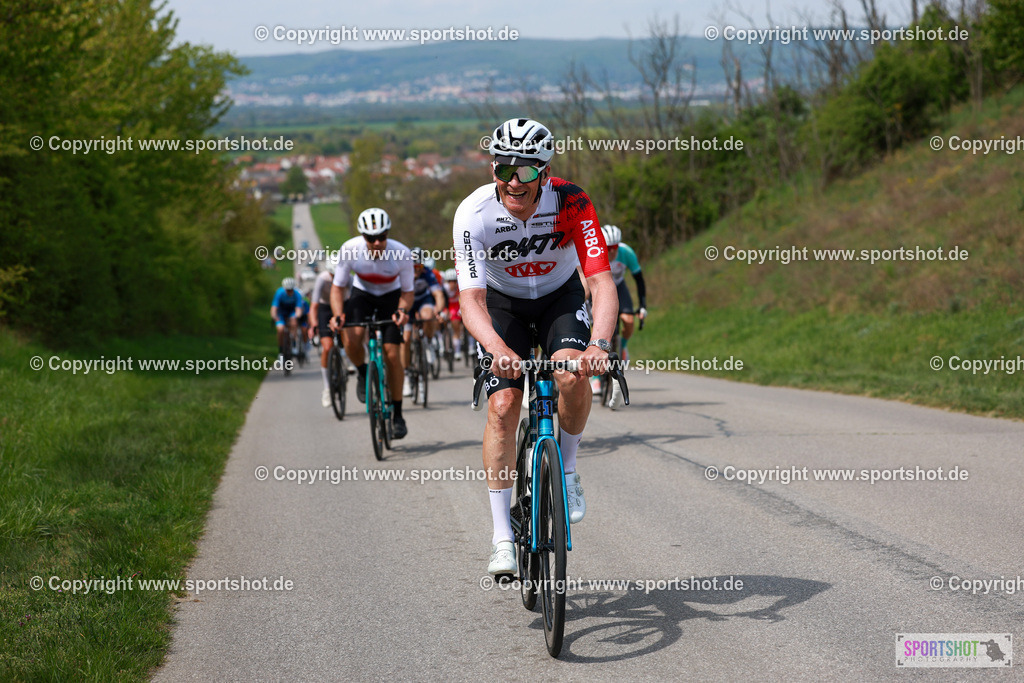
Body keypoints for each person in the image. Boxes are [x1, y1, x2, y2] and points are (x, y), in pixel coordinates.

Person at [454, 117, 616, 577]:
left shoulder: (572, 200)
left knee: (571, 372)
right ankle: (502, 537)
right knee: (504, 404)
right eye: (503, 169)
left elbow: (601, 281)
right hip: (502, 305)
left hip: (559, 298)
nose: (513, 181)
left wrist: (599, 345)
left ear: (545, 174)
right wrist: (495, 346)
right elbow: (471, 298)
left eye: (525, 171)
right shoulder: (474, 213)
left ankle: (566, 470)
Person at [329, 208, 415, 439]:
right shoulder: (350, 250)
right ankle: (362, 371)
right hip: (362, 294)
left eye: (382, 237)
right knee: (352, 338)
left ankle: (397, 414)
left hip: (391, 296)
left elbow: (407, 292)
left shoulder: (402, 254)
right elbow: (337, 287)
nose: (377, 242)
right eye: (370, 238)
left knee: (393, 356)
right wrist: (338, 315)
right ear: (362, 237)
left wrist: (401, 310)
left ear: (388, 234)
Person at [595, 224, 647, 409]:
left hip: (618, 285)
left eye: (614, 248)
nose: (611, 252)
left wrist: (642, 306)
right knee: (593, 327)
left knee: (628, 321)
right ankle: (595, 374)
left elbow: (639, 279)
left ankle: (623, 348)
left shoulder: (627, 253)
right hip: (599, 288)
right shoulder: (594, 251)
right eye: (608, 248)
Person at [402, 248, 446, 397]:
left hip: (422, 300)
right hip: (407, 303)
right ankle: (407, 375)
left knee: (428, 315)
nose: (416, 271)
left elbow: (438, 294)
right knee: (406, 339)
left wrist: (438, 311)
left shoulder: (427, 273)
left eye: (419, 267)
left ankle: (428, 342)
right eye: (413, 267)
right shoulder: (402, 273)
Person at [310, 256, 340, 407]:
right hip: (325, 309)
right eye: (333, 276)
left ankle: (346, 360)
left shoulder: (348, 278)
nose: (336, 279)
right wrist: (313, 325)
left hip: (342, 307)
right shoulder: (322, 279)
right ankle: (327, 389)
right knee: (327, 347)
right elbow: (314, 305)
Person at [271, 277, 305, 361]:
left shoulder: (297, 294)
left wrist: (297, 316)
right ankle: (281, 351)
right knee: (280, 329)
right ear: (284, 288)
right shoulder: (279, 293)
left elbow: (298, 309)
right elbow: (274, 308)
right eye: (287, 290)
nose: (289, 292)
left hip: (291, 312)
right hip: (281, 312)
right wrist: (274, 316)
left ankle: (293, 345)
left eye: (291, 290)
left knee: (294, 322)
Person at [441, 268, 464, 360]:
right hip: (448, 305)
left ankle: (457, 351)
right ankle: (443, 340)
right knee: (443, 319)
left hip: (456, 305)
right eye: (450, 281)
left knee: (456, 323)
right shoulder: (444, 289)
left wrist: (462, 310)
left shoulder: (460, 286)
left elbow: (462, 299)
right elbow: (442, 301)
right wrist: (445, 311)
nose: (452, 284)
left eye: (454, 281)